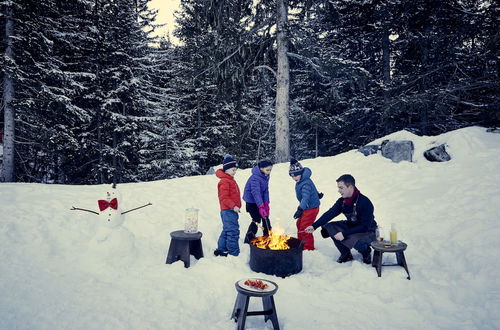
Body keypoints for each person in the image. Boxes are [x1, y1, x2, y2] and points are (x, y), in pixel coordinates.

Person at [305, 174, 377, 264]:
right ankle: (346, 254)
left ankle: (365, 252)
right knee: (330, 227)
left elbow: (364, 226)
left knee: (352, 237)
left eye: (341, 188)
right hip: (352, 226)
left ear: (350, 187)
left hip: (368, 231)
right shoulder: (342, 202)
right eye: (338, 188)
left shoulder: (364, 202)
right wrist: (314, 226)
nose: (338, 191)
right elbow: (329, 214)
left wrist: (344, 233)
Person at [289, 159, 321, 250]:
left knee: (305, 227)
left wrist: (300, 209)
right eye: (292, 176)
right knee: (299, 224)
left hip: (311, 208)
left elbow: (305, 198)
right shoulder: (302, 179)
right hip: (307, 207)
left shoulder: (305, 183)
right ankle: (301, 243)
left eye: (296, 175)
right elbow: (312, 189)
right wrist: (317, 194)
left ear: (301, 173)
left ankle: (308, 248)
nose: (294, 178)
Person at [214, 154, 242, 257]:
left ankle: (221, 249)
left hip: (231, 210)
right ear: (226, 170)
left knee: (227, 229)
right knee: (233, 231)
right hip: (228, 210)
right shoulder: (224, 181)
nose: (235, 172)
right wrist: (233, 206)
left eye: (235, 170)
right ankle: (233, 253)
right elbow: (224, 197)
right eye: (233, 170)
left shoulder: (230, 180)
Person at [243, 160, 273, 243]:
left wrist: (266, 204)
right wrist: (260, 206)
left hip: (260, 200)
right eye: (267, 170)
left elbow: (265, 191)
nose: (269, 172)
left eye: (270, 170)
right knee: (256, 219)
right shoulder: (255, 178)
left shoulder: (265, 176)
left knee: (265, 217)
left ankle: (268, 236)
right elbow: (256, 193)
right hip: (251, 202)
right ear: (261, 168)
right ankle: (248, 238)